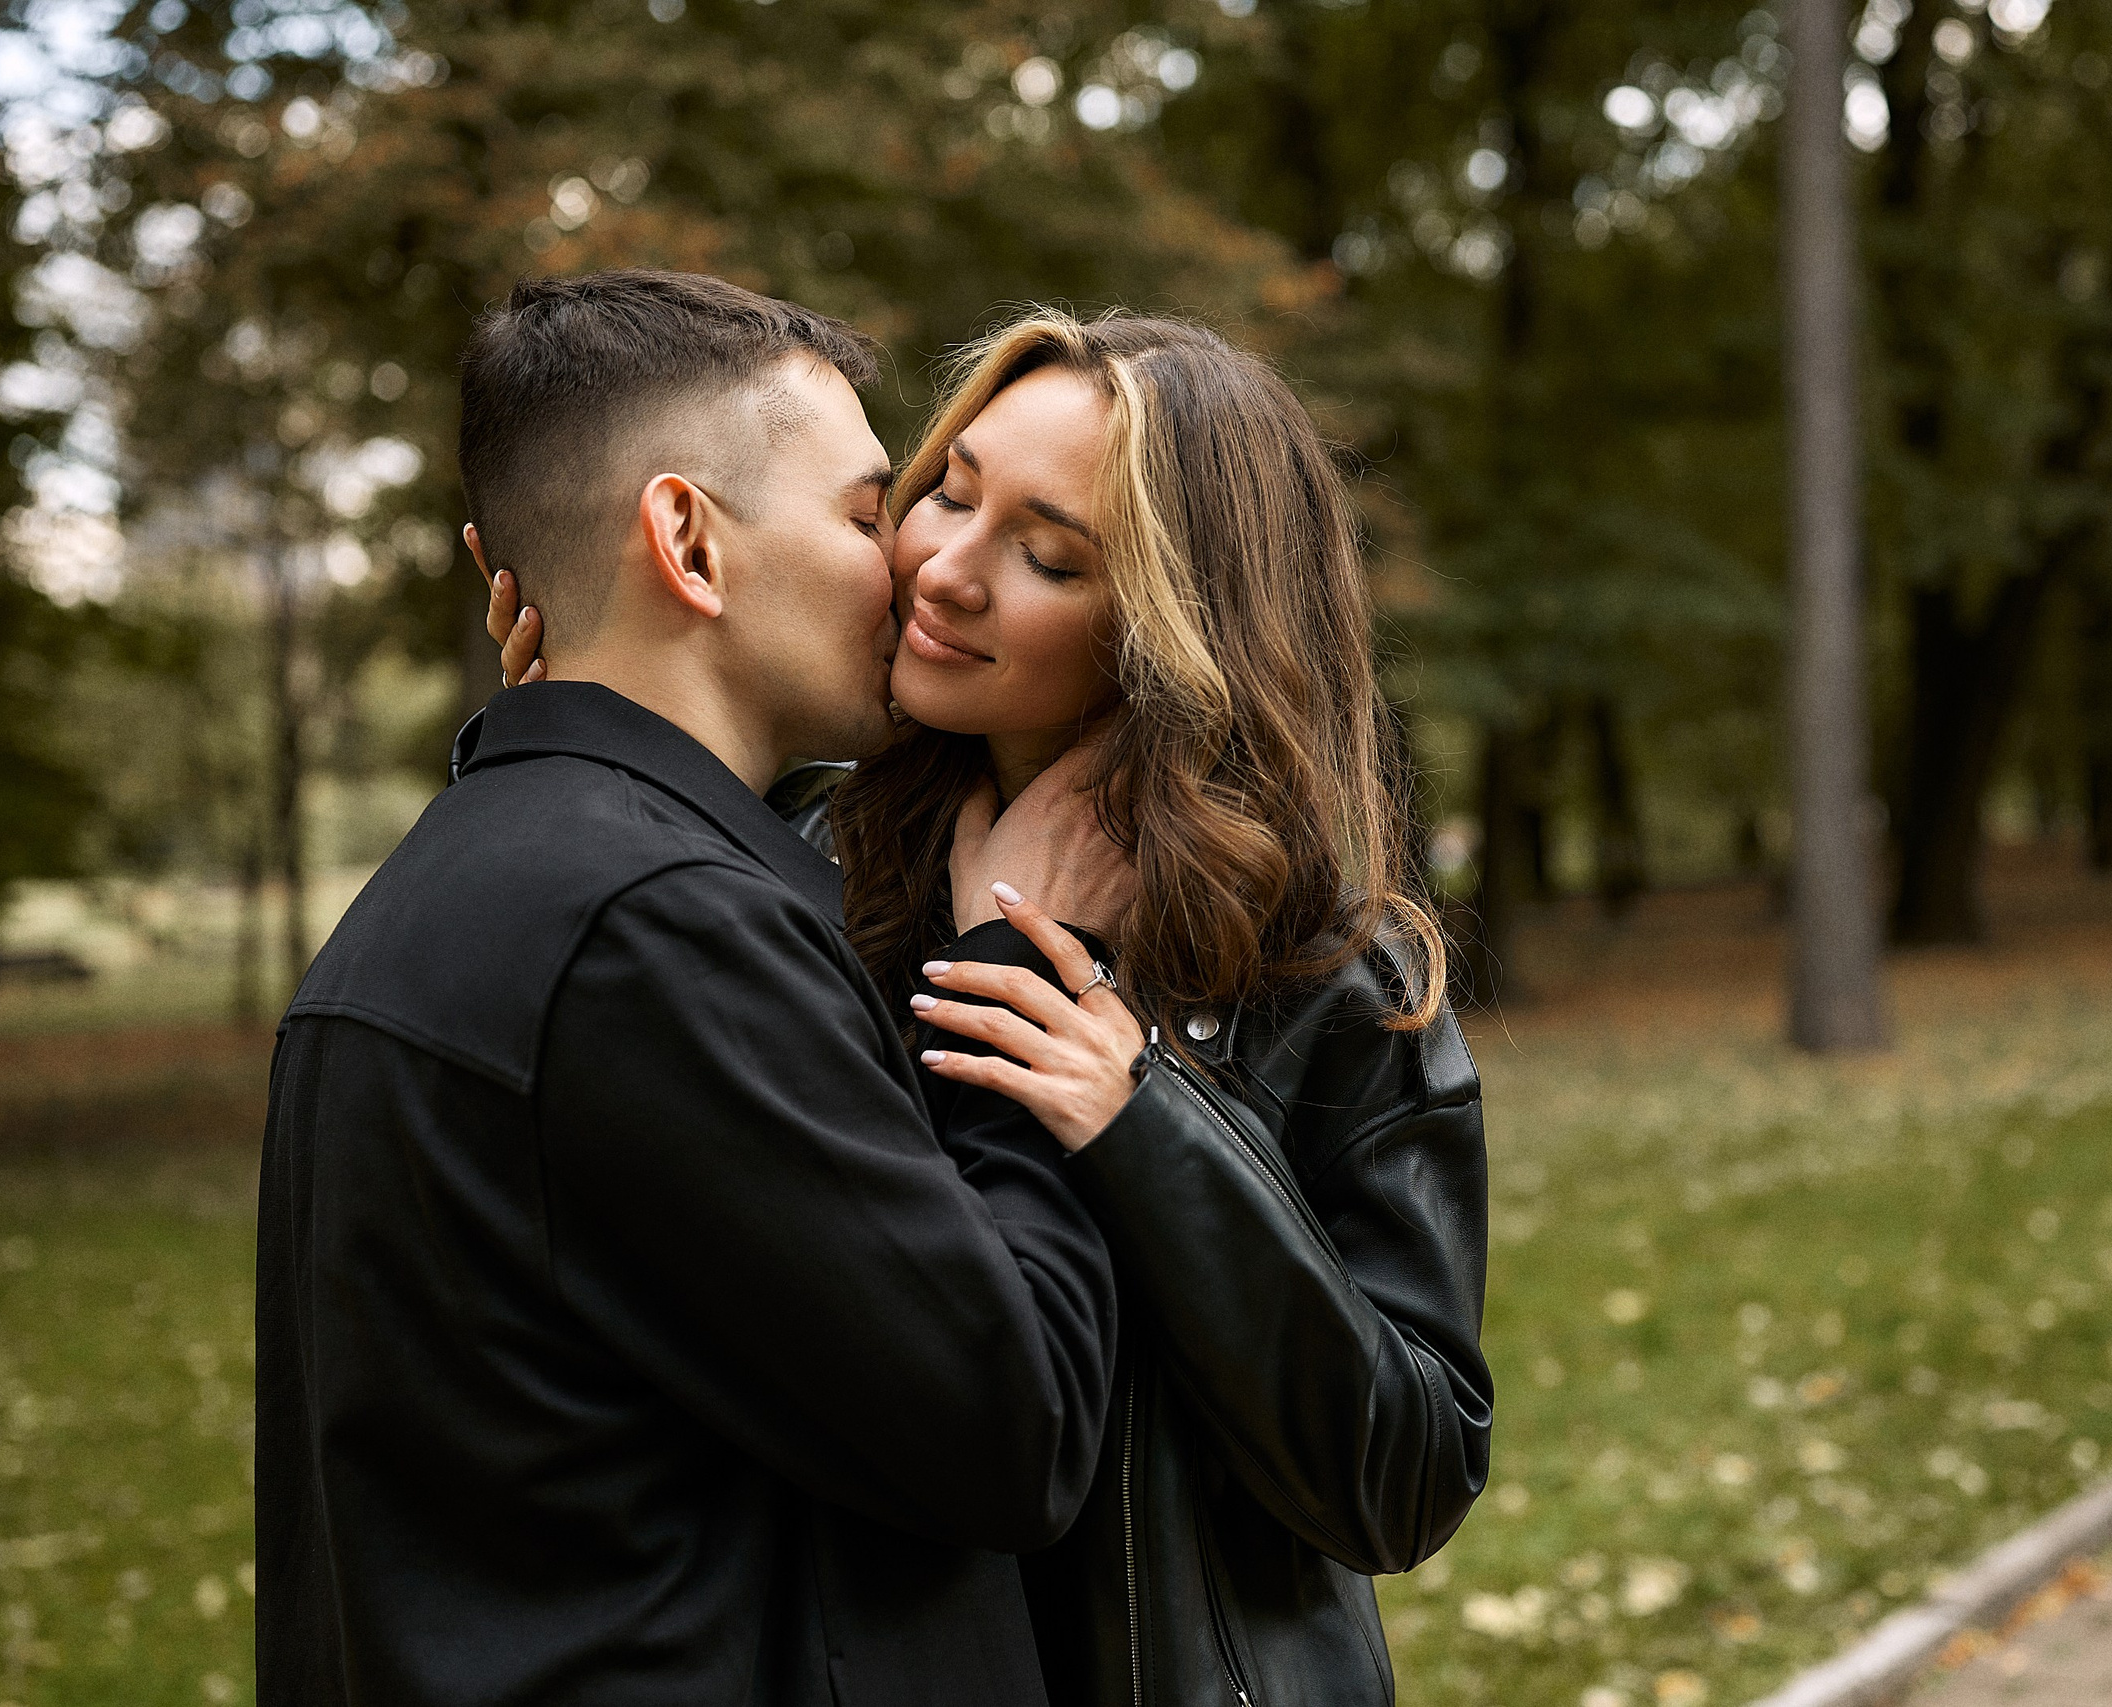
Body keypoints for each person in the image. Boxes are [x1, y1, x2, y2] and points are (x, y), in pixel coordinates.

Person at [495, 309, 1493, 1705]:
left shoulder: (1323, 970)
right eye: (947, 495)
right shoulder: (802, 871)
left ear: (1172, 630)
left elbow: (1410, 1479)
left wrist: (1144, 1123)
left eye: (1050, 557)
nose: (946, 571)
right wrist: (588, 744)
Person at [256, 271, 1130, 1707]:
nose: (910, 569)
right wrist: (1015, 967)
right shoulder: (658, 934)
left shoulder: (456, 886)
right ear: (687, 541)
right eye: (867, 515)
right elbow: (1015, 1427)